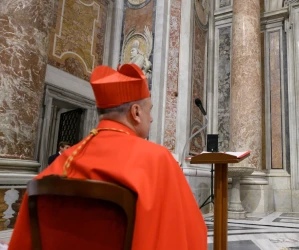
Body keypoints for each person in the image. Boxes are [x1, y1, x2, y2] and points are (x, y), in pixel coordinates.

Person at [8, 64, 207, 250]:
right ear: (136, 112)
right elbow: (191, 235)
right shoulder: (158, 160)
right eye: (150, 109)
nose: (152, 118)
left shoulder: (65, 160)